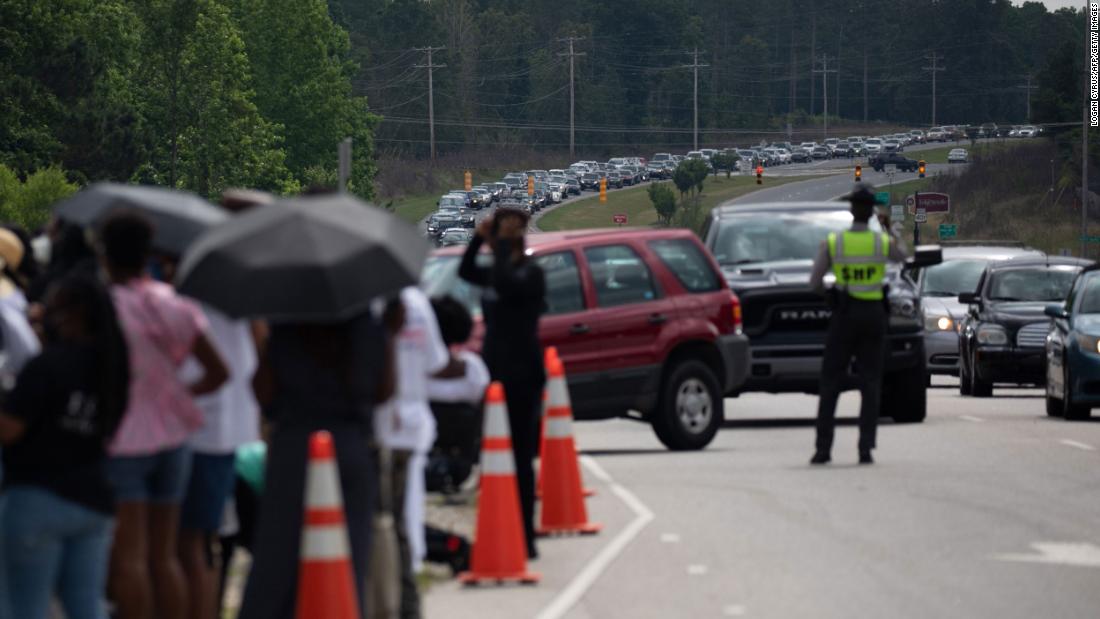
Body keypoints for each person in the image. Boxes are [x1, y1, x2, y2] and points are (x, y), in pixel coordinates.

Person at [99, 211, 229, 619]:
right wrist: (176, 394)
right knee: (164, 555)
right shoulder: (174, 303)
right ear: (147, 253)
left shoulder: (104, 307)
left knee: (130, 559)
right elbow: (218, 371)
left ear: (105, 254)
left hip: (125, 439)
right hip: (175, 437)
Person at [238, 304, 399, 619]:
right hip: (349, 447)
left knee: (275, 567)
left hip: (293, 450)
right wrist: (390, 334)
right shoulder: (366, 325)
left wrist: (262, 345)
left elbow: (263, 392)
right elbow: (384, 391)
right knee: (347, 564)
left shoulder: (285, 324)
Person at [0, 274, 130, 619]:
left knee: (24, 607)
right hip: (94, 501)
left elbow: (10, 430)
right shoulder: (114, 368)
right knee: (86, 606)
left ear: (72, 314)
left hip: (36, 498)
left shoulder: (47, 366)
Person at [458, 208, 545, 558]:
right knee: (492, 456)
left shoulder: (531, 273)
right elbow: (465, 270)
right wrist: (479, 237)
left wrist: (502, 245)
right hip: (494, 374)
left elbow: (509, 284)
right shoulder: (495, 274)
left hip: (523, 375)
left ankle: (526, 535)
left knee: (521, 458)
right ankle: (496, 530)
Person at [809, 183, 908, 466]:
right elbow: (905, 256)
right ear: (872, 211)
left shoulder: (834, 242)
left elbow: (814, 283)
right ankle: (865, 449)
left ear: (852, 209)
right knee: (870, 383)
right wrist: (889, 227)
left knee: (830, 382)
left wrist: (830, 295)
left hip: (844, 315)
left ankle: (823, 449)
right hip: (874, 316)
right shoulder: (881, 242)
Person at [373, 286, 449, 618]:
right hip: (411, 427)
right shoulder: (417, 303)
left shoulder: (367, 303)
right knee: (403, 523)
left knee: (381, 525)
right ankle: (407, 601)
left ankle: (391, 601)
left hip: (379, 429)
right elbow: (436, 361)